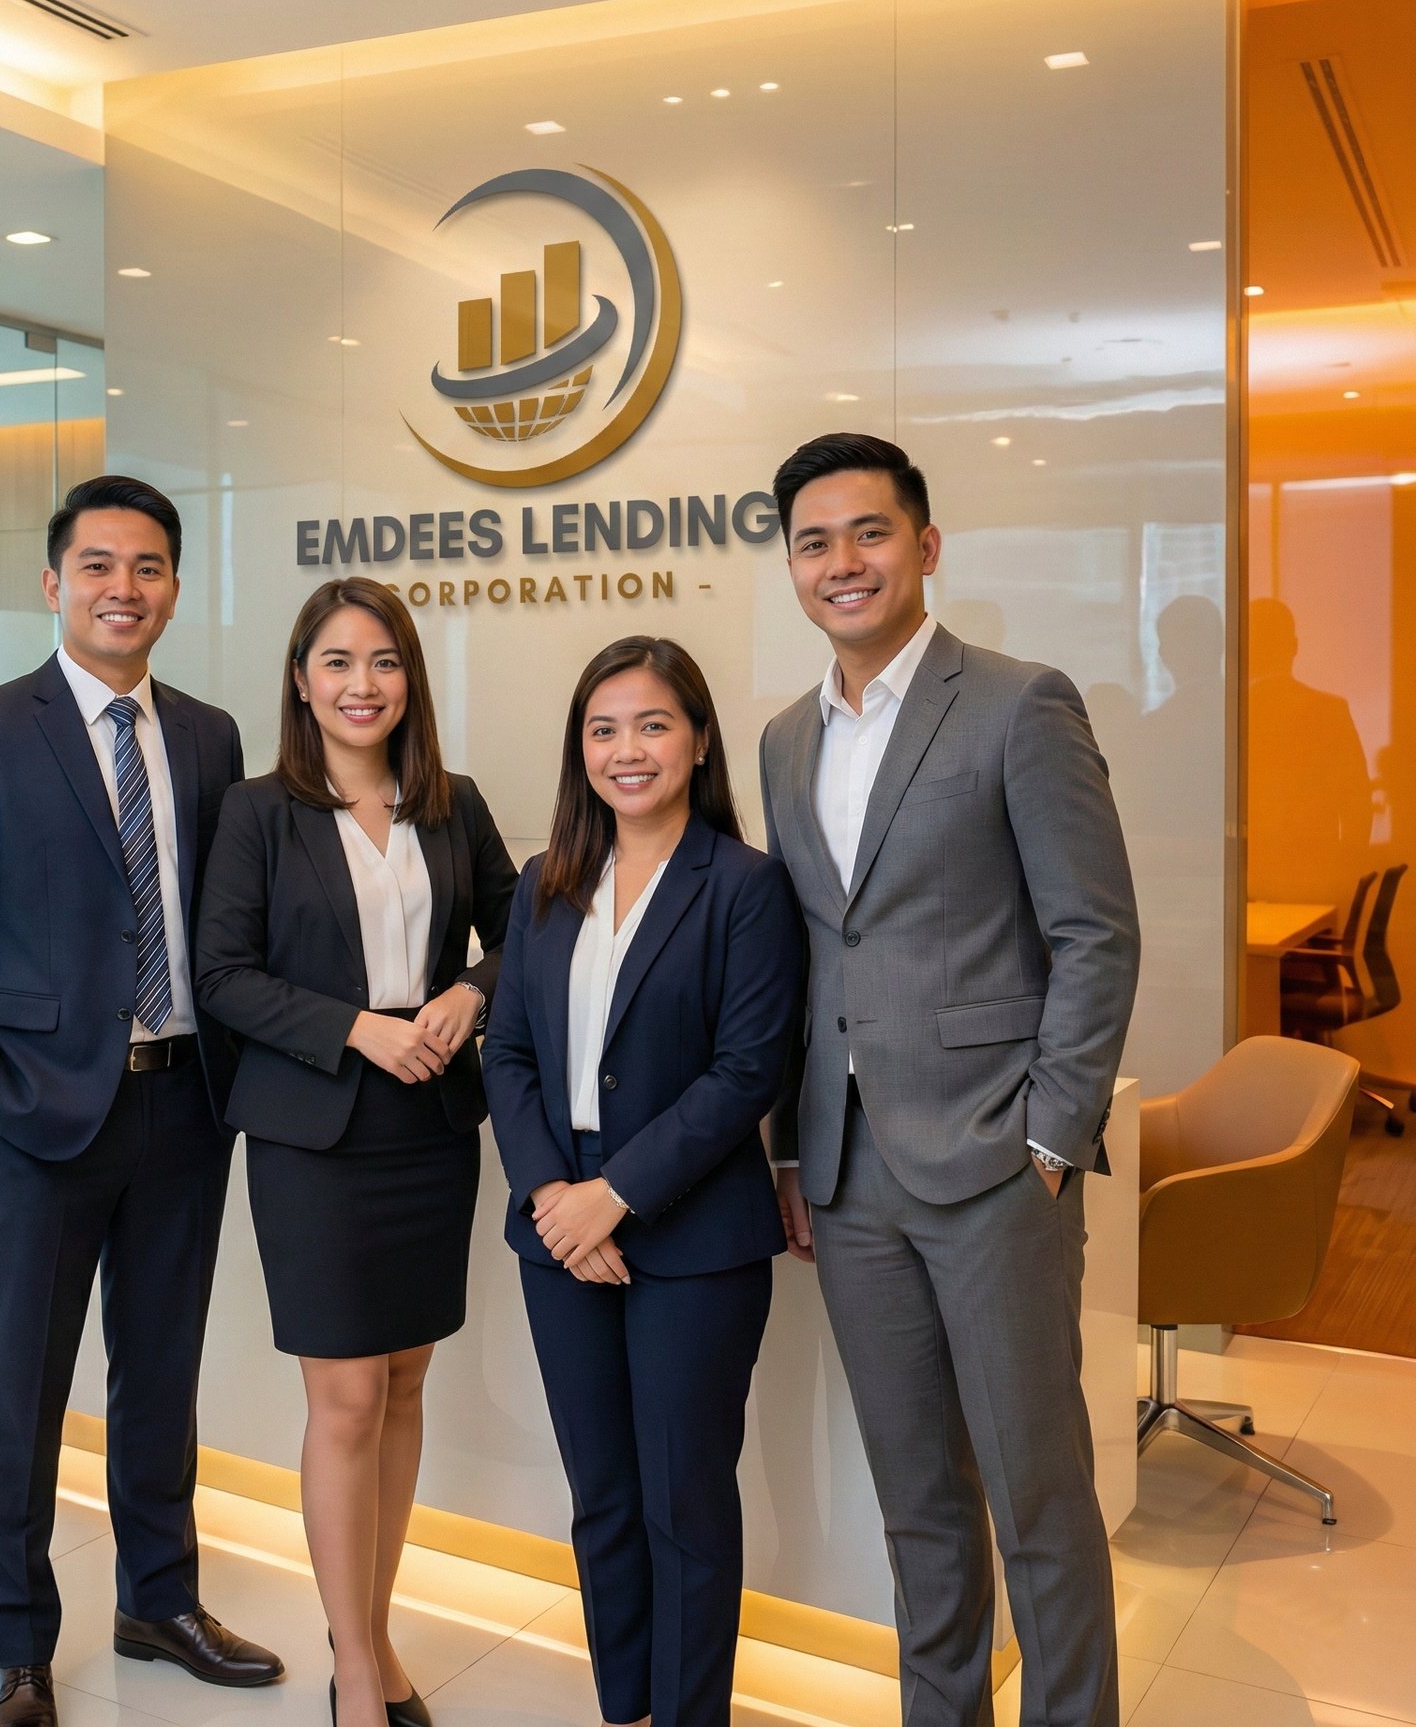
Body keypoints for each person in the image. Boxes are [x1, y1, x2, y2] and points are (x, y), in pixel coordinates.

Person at [0, 475, 283, 1727]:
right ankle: (16, 1642)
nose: (126, 588)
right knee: (21, 1392)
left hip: (182, 1106)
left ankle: (157, 1599)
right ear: (54, 582)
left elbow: (224, 930)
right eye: (100, 566)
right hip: (38, 1119)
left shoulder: (213, 737)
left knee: (161, 1380)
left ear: (174, 586)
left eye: (149, 567)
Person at [759, 433, 1140, 1727]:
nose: (842, 562)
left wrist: (1054, 1134)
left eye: (869, 533)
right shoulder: (779, 740)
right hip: (853, 1176)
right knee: (917, 1500)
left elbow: (1096, 930)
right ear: (793, 568)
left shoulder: (1019, 703)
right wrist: (795, 1155)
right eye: (814, 542)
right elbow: (816, 958)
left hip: (995, 1167)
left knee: (1037, 1495)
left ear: (925, 545)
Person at [195, 576, 518, 1727]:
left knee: (408, 1382)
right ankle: (358, 1676)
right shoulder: (257, 813)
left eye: (382, 662)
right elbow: (222, 976)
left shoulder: (454, 803)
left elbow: (521, 929)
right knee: (342, 1401)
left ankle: (370, 1644)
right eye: (336, 662)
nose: (361, 684)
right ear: (300, 681)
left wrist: (470, 996)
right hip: (314, 1134)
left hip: (428, 1127)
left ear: (408, 679)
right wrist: (356, 1027)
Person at [481, 636, 803, 1727]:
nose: (628, 750)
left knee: (684, 1504)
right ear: (580, 751)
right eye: (603, 729)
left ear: (699, 740)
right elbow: (509, 1056)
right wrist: (549, 1199)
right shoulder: (545, 883)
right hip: (556, 1234)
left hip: (693, 1241)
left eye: (653, 724)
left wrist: (610, 1197)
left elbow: (746, 1070)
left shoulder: (746, 887)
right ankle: (626, 1708)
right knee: (604, 1499)